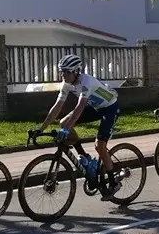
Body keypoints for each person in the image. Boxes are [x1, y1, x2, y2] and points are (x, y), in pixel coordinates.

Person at [36, 54, 121, 200]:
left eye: (66, 72)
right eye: (61, 71)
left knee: (100, 146)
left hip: (109, 108)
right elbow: (56, 107)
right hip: (95, 108)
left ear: (76, 72)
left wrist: (67, 130)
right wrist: (41, 129)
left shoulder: (86, 81)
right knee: (63, 122)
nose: (63, 75)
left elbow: (79, 108)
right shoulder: (66, 84)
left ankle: (113, 183)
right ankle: (85, 157)